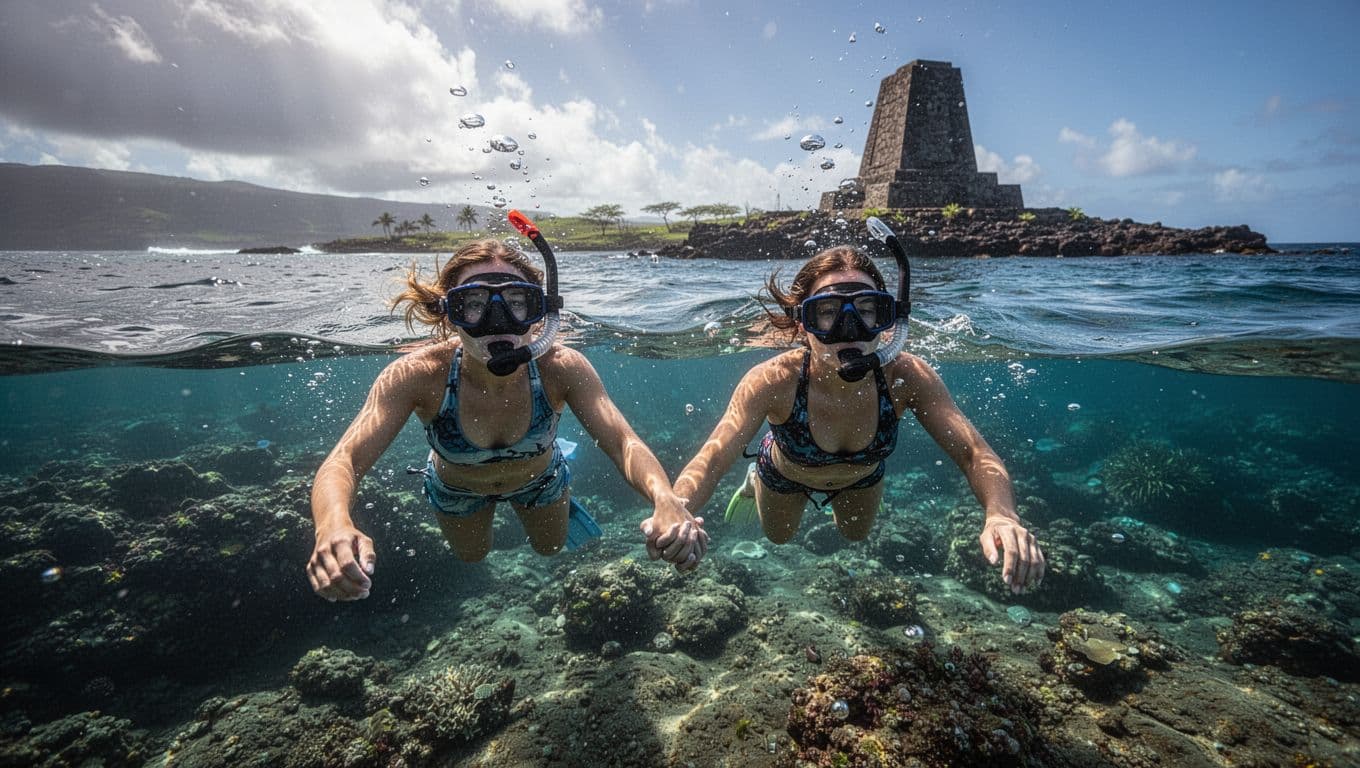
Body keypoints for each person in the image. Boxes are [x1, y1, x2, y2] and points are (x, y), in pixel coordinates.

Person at [308, 213, 706, 601]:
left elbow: (624, 443)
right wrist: (332, 524)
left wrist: (665, 498)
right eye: (474, 304)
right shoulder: (418, 375)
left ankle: (556, 460)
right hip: (455, 487)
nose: (497, 321)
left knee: (550, 549)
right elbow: (345, 458)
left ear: (541, 314)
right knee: (472, 555)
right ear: (449, 313)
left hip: (540, 480)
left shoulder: (561, 368)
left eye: (518, 302)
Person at [654, 219, 1044, 592]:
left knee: (855, 535)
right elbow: (714, 456)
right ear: (803, 324)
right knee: (779, 537)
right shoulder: (774, 380)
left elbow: (975, 453)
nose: (849, 328)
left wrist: (1002, 514)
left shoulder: (906, 377)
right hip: (785, 473)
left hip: (861, 476)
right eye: (826, 312)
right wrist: (677, 505)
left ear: (888, 317)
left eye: (866, 309)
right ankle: (756, 476)